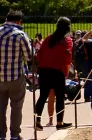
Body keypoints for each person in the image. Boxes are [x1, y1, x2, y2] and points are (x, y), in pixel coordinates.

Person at [34, 17, 74, 130]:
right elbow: (67, 59)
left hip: (44, 70)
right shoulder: (67, 41)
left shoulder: (48, 38)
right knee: (60, 97)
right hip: (58, 71)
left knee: (42, 96)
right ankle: (59, 122)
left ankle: (37, 120)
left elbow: (39, 55)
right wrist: (66, 73)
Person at [0, 11, 34, 140]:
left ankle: (1, 134)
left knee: (0, 107)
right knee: (16, 106)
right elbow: (29, 56)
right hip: (15, 75)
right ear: (19, 21)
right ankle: (14, 135)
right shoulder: (20, 35)